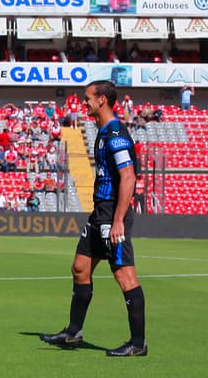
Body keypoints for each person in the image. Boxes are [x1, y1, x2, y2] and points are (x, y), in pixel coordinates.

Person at [40, 81, 147, 356]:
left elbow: (128, 177)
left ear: (102, 100)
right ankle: (73, 333)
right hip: (100, 213)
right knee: (80, 267)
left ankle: (138, 344)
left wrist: (119, 220)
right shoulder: (102, 131)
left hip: (113, 213)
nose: (83, 102)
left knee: (124, 276)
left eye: (87, 98)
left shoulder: (116, 135)